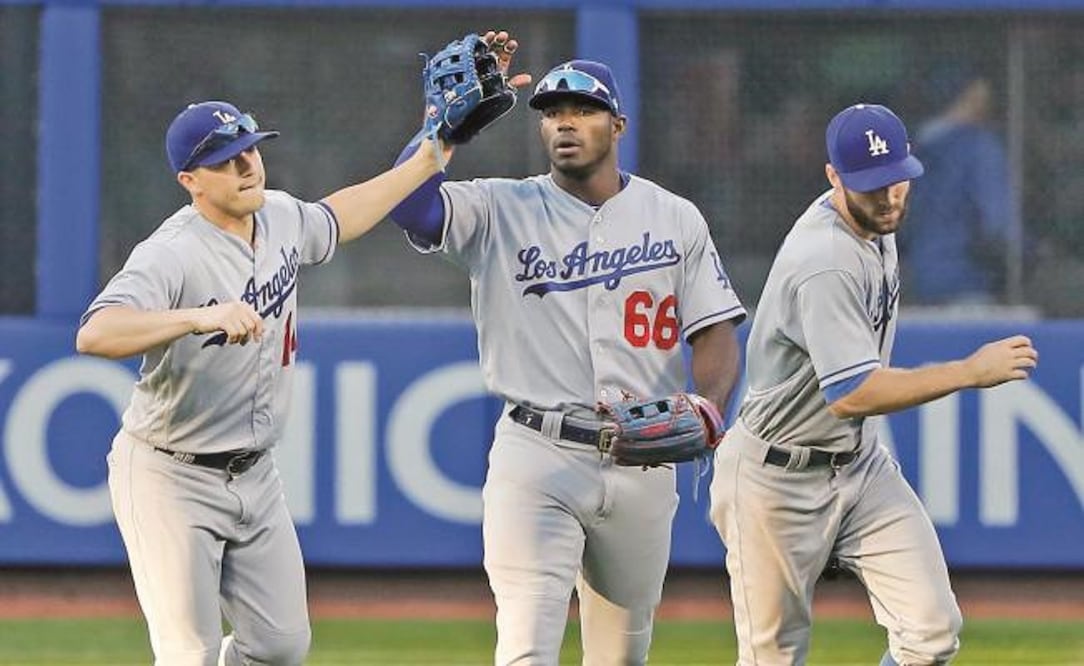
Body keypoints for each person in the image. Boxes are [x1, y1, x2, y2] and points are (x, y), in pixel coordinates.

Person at [390, 40, 747, 665]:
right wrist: (436, 131)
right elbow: (411, 207)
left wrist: (711, 406)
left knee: (622, 656)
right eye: (552, 112)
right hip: (538, 452)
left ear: (618, 124)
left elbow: (714, 330)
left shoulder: (674, 217)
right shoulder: (500, 205)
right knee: (526, 645)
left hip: (643, 458)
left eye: (582, 110)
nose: (564, 123)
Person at [75, 99, 449, 665]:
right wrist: (195, 317)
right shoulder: (170, 254)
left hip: (254, 473)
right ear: (190, 182)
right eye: (226, 159)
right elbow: (96, 334)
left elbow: (338, 215)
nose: (247, 164)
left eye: (250, 149)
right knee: (188, 655)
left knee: (280, 647)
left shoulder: (278, 215)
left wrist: (429, 156)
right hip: (169, 475)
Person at [708, 103, 1038, 666]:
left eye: (896, 182)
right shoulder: (827, 259)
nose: (888, 198)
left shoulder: (875, 224)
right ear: (833, 177)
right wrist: (969, 372)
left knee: (931, 631)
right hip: (775, 476)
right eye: (870, 186)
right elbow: (853, 395)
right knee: (774, 658)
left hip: (857, 465)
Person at [901, 64, 1015, 305]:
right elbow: (998, 225)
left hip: (917, 284)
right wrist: (1032, 254)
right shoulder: (979, 148)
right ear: (972, 96)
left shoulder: (910, 149)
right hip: (968, 283)